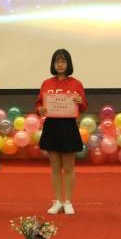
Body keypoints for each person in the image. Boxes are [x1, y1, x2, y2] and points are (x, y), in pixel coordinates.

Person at [35, 49, 86, 216]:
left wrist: (80, 101)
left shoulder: (76, 84)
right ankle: (57, 201)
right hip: (51, 126)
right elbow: (39, 104)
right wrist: (40, 110)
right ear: (53, 64)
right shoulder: (46, 83)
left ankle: (68, 202)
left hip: (68, 126)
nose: (60, 64)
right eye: (57, 61)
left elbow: (83, 106)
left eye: (63, 61)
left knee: (69, 167)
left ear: (68, 63)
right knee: (55, 167)